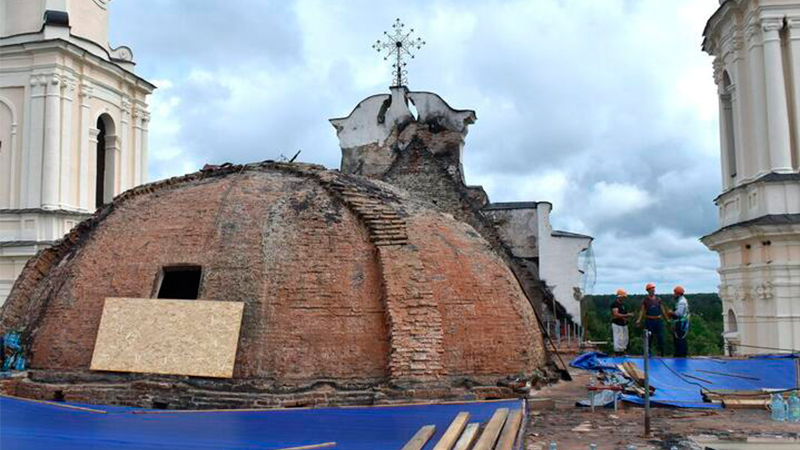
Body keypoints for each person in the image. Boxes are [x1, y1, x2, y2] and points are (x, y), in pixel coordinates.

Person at [636, 283, 669, 356]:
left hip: (658, 320)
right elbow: (642, 310)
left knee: (660, 337)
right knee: (649, 337)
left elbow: (662, 310)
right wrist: (639, 320)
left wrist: (667, 319)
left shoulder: (658, 299)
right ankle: (648, 353)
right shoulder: (645, 300)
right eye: (651, 289)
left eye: (653, 289)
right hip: (649, 321)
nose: (653, 290)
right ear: (648, 290)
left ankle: (661, 352)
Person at [611, 289, 633, 355]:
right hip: (617, 324)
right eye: (623, 297)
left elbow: (623, 314)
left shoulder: (623, 305)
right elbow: (616, 314)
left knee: (625, 338)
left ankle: (623, 350)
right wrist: (626, 315)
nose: (624, 298)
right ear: (619, 296)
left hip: (623, 324)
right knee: (618, 338)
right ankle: (618, 352)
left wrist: (627, 317)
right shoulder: (615, 304)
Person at [670, 285, 690, 357]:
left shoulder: (681, 302)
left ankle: (680, 354)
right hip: (681, 323)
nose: (674, 295)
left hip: (680, 323)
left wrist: (671, 313)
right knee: (680, 339)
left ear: (678, 294)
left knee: (679, 339)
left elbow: (679, 313)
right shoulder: (682, 300)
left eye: (675, 293)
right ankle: (680, 353)